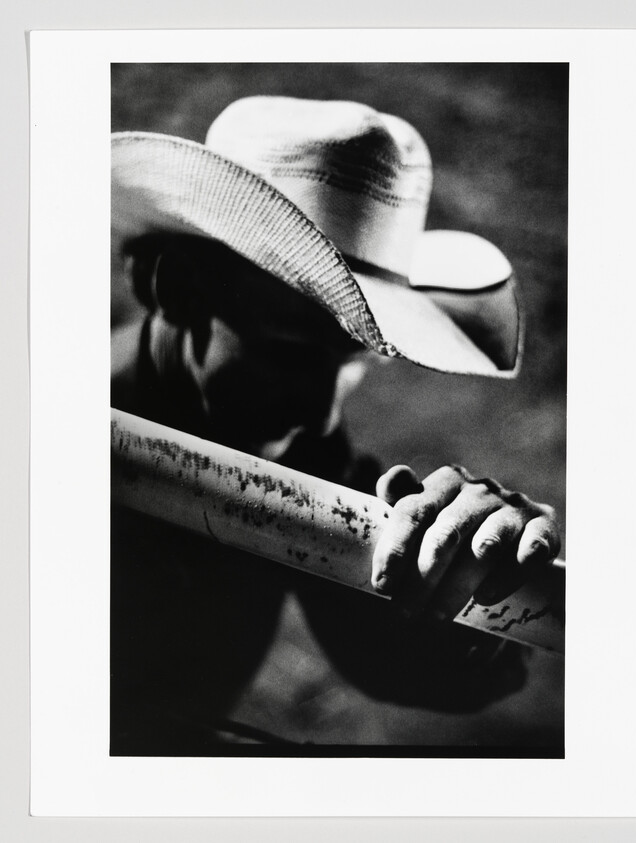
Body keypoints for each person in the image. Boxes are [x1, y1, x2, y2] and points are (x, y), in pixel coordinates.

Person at [110, 96, 561, 752]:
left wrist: (479, 583)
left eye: (351, 361)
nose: (319, 410)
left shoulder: (309, 448)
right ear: (171, 286)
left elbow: (394, 659)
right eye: (287, 351)